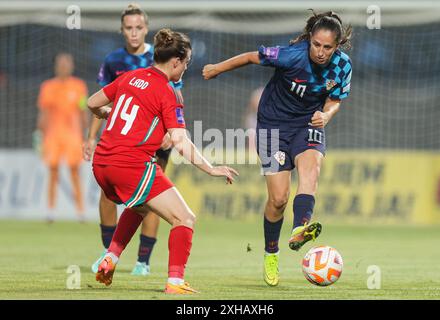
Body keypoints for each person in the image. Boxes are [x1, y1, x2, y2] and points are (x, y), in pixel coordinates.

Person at [202, 10, 352, 286]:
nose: (320, 52)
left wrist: (327, 115)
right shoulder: (290, 55)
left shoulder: (342, 66)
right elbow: (250, 57)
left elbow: (336, 100)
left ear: (337, 45)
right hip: (272, 127)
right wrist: (216, 68)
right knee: (278, 199)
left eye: (327, 47)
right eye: (316, 44)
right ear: (309, 39)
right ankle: (271, 253)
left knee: (312, 169)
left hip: (307, 124)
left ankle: (300, 227)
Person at [88, 29, 238, 294]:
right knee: (185, 218)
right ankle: (175, 282)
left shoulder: (130, 77)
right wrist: (211, 169)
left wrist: (107, 112)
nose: (185, 69)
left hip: (101, 164)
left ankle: (109, 258)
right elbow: (180, 141)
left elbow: (92, 102)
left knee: (141, 206)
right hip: (130, 164)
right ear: (176, 61)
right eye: (187, 63)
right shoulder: (168, 92)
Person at [83, 4, 183, 276]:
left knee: (152, 197)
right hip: (119, 139)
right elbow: (102, 98)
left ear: (147, 29)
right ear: (122, 30)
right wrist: (91, 137)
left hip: (154, 139)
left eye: (139, 28)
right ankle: (109, 253)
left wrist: (169, 134)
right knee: (108, 195)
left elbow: (174, 100)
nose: (134, 33)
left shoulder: (162, 57)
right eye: (129, 28)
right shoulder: (113, 61)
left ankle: (143, 260)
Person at [37, 53, 88, 223]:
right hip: (53, 135)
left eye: (67, 64)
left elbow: (83, 111)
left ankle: (81, 211)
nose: (64, 67)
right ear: (56, 66)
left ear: (72, 66)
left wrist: (87, 136)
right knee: (53, 171)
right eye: (61, 64)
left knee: (75, 172)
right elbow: (43, 113)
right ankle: (50, 210)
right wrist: (39, 135)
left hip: (73, 135)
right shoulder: (47, 86)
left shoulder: (79, 86)